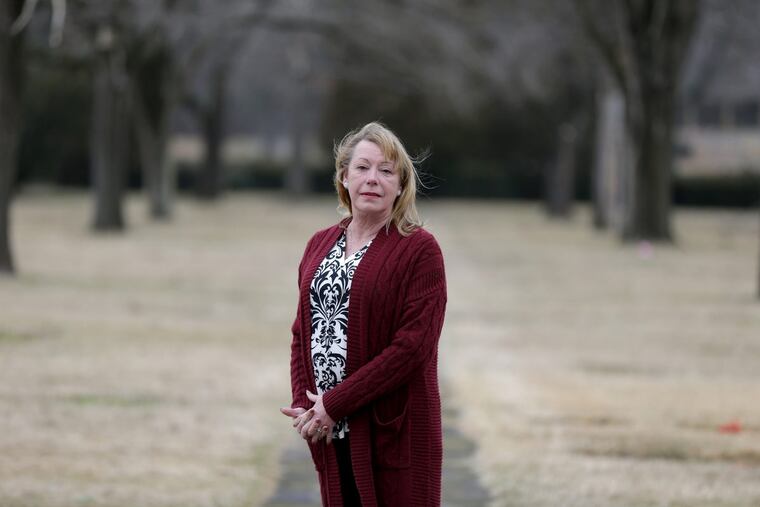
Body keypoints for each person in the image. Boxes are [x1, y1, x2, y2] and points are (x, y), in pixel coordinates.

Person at [280, 122, 447, 506]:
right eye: (363, 168)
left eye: (386, 171)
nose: (373, 179)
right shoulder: (319, 243)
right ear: (344, 177)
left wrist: (333, 404)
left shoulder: (419, 249)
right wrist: (307, 406)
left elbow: (412, 349)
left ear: (401, 185)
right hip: (330, 431)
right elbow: (301, 332)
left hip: (392, 430)